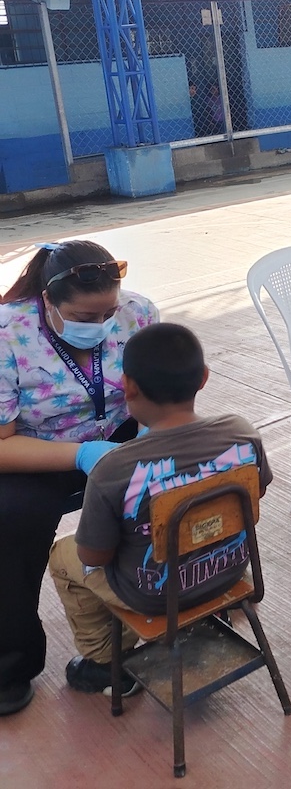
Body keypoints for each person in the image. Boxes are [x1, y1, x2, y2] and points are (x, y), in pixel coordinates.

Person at [47, 323, 271, 696]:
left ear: (128, 387)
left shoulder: (114, 468)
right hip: (230, 573)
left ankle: (106, 663)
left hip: (153, 595)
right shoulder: (242, 432)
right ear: (203, 378)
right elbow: (255, 495)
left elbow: (93, 555)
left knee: (63, 555)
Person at [0, 241, 158, 716]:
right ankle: (11, 663)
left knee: (175, 490)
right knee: (9, 523)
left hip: (122, 432)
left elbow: (161, 386)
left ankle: (188, 604)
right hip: (41, 447)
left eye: (107, 312)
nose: (101, 325)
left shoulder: (137, 313)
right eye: (85, 317)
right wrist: (83, 454)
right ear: (48, 302)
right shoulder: (8, 334)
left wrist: (154, 434)